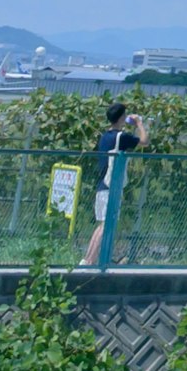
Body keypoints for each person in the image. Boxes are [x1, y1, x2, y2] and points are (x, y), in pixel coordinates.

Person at [79, 104, 140, 266]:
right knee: (106, 225)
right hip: (111, 187)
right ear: (121, 118)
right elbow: (145, 141)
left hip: (102, 184)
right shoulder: (121, 137)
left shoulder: (106, 136)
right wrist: (139, 124)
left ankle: (88, 259)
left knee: (102, 225)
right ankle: (90, 260)